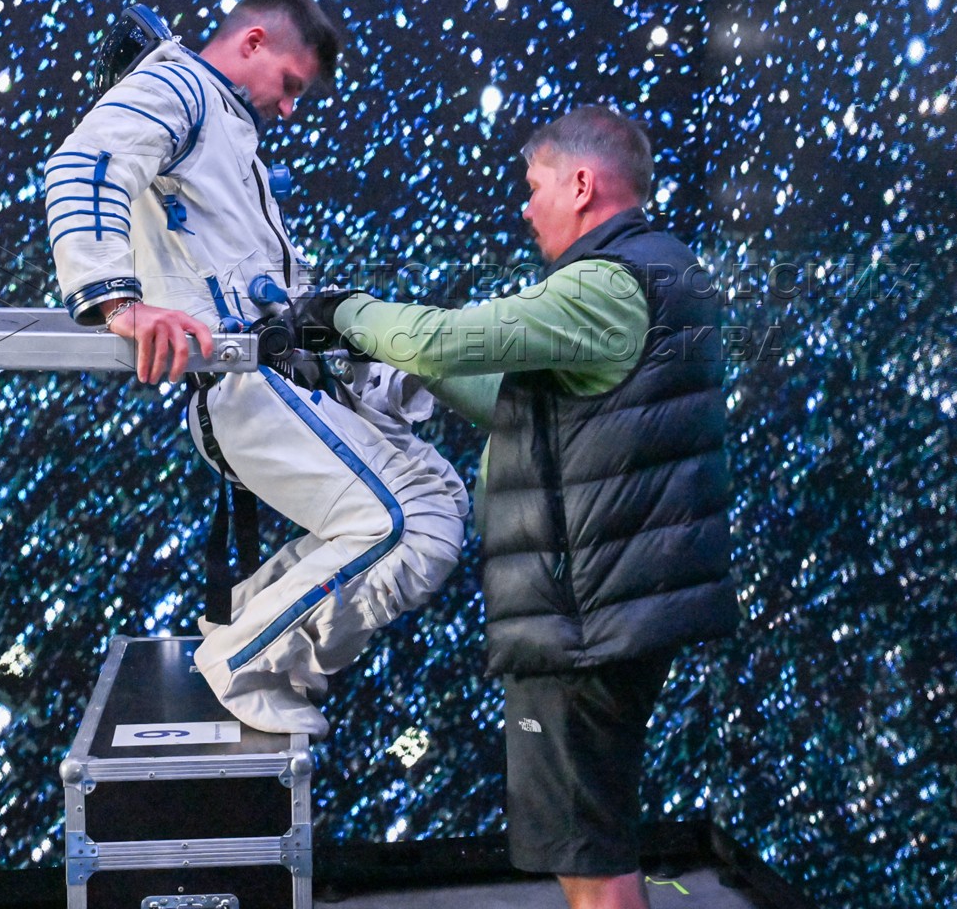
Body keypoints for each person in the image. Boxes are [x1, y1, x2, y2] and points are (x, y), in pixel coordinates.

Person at [296, 105, 736, 909]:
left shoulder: (608, 284)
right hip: (616, 610)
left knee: (592, 862)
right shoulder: (664, 270)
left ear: (581, 184)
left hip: (585, 623)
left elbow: (444, 339)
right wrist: (414, 378)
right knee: (590, 841)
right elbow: (532, 402)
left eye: (535, 187)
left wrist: (340, 312)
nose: (527, 208)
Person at [43, 0, 467, 739]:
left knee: (441, 499)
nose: (292, 109)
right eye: (291, 84)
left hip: (273, 380)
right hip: (244, 388)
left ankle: (252, 625)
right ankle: (245, 660)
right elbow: (84, 166)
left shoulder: (222, 131)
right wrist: (118, 302)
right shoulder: (177, 87)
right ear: (253, 42)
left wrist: (379, 373)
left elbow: (280, 296)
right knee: (409, 528)